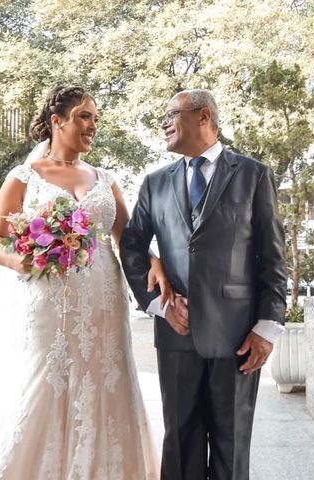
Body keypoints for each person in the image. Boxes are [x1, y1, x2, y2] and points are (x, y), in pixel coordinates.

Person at [0, 86, 167, 479]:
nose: (92, 125)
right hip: (47, 303)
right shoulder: (25, 178)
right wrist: (21, 260)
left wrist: (154, 262)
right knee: (45, 381)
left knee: (105, 380)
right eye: (84, 116)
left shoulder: (106, 179)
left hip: (102, 303)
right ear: (56, 121)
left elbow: (127, 239)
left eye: (95, 118)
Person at [120, 89, 287, 480]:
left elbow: (272, 257)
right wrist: (158, 304)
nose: (163, 123)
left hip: (239, 334)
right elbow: (132, 246)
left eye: (171, 114)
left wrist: (267, 327)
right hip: (176, 332)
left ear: (203, 116)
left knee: (232, 440)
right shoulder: (155, 182)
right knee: (179, 440)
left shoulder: (253, 174)